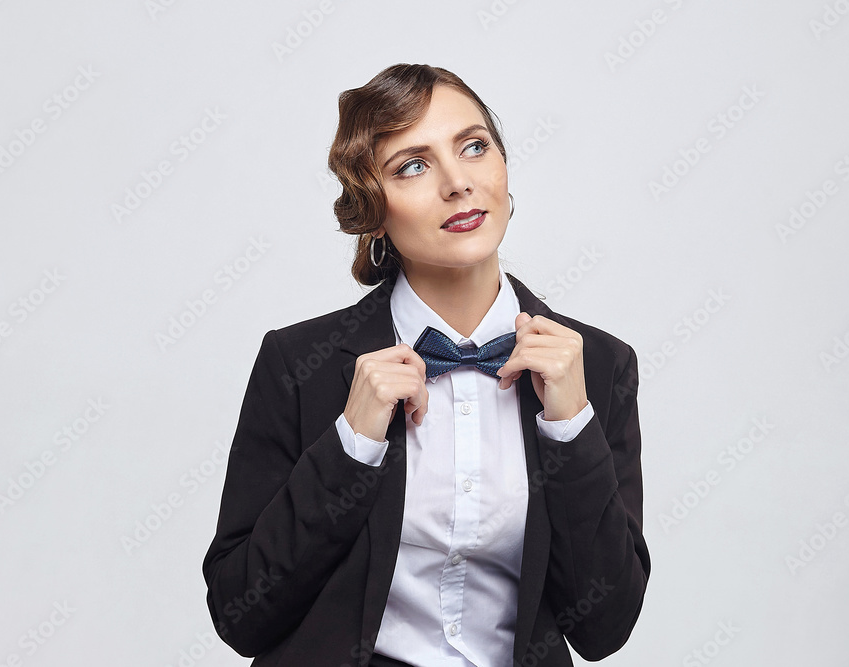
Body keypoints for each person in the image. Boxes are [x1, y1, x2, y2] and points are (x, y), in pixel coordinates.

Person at [202, 63, 651, 667]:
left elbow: (604, 628)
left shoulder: (598, 366)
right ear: (373, 211)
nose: (458, 183)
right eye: (412, 166)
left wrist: (570, 426)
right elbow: (240, 616)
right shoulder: (298, 363)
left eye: (473, 147)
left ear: (504, 170)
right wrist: (351, 442)